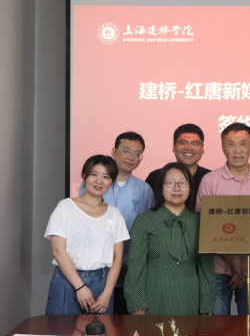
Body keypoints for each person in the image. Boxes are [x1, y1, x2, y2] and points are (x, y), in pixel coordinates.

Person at [196, 122, 250, 315]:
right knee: (218, 326)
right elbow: (204, 227)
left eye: (243, 143)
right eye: (231, 144)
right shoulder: (210, 181)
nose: (237, 150)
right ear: (223, 147)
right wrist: (234, 262)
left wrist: (247, 265)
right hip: (217, 268)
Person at [124, 162, 215, 315]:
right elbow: (136, 266)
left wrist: (207, 306)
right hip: (154, 298)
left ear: (190, 188)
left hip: (191, 298)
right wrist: (136, 302)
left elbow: (206, 268)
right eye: (170, 183)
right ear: (161, 187)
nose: (176, 188)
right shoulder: (145, 220)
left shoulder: (200, 222)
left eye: (182, 183)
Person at [78, 131, 153, 313]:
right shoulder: (94, 185)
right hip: (95, 269)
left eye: (137, 153)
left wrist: (129, 264)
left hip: (129, 269)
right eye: (126, 151)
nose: (131, 157)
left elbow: (147, 231)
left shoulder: (145, 190)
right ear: (114, 152)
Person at [45, 155, 129, 314]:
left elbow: (117, 257)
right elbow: (58, 250)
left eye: (106, 177)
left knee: (100, 330)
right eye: (94, 174)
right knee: (62, 329)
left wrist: (107, 293)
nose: (99, 181)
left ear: (112, 182)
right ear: (84, 176)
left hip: (102, 283)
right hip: (68, 280)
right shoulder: (65, 207)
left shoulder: (114, 214)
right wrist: (80, 287)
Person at [146, 123, 211, 196]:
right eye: (183, 142)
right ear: (174, 147)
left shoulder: (211, 178)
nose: (189, 148)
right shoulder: (155, 177)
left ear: (202, 148)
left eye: (195, 143)